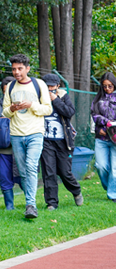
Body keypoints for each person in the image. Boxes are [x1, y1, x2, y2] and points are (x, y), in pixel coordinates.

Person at [2, 54, 52, 219]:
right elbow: (5, 112)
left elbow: (48, 109)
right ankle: (30, 202)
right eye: (14, 69)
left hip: (35, 133)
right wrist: (13, 109)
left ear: (27, 69)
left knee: (31, 166)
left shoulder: (39, 84)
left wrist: (31, 105)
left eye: (20, 68)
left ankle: (31, 205)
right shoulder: (10, 87)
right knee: (23, 171)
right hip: (16, 135)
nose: (16, 72)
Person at [39, 73, 83, 210]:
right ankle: (52, 202)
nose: (49, 89)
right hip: (46, 141)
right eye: (46, 86)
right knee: (49, 172)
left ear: (58, 86)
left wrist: (55, 100)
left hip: (63, 141)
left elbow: (69, 112)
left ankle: (76, 191)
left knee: (65, 172)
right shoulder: (39, 99)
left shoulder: (63, 97)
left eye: (52, 86)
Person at [0, 76, 22, 210]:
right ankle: (9, 205)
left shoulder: (24, 105)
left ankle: (30, 203)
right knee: (4, 177)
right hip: (2, 151)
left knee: (23, 177)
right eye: (5, 92)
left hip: (19, 148)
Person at [91, 72, 116, 201]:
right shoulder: (97, 99)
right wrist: (103, 126)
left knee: (114, 168)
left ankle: (113, 195)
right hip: (101, 138)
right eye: (105, 86)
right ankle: (109, 187)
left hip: (115, 139)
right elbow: (94, 114)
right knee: (101, 166)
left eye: (110, 86)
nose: (107, 89)